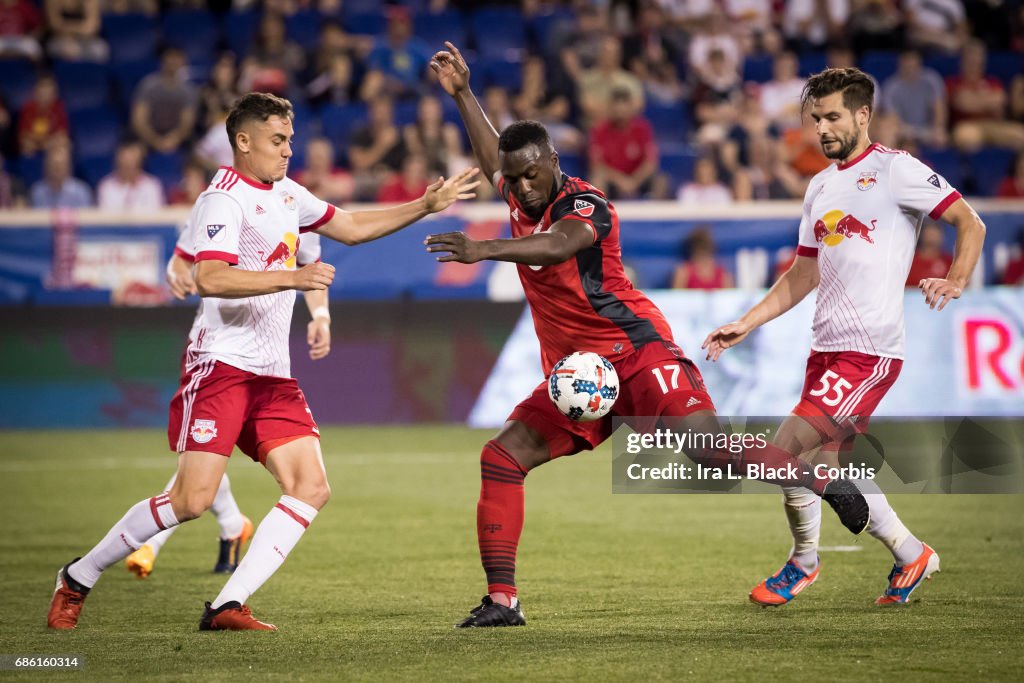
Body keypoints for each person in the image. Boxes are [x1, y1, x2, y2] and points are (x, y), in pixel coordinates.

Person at [427, 42, 871, 629]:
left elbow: (559, 245)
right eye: (514, 178)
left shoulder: (587, 203)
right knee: (501, 458)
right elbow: (494, 159)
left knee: (707, 448)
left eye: (533, 173)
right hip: (580, 379)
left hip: (635, 353)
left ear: (553, 160)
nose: (523, 186)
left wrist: (482, 248)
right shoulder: (517, 187)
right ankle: (502, 602)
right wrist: (462, 93)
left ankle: (818, 475)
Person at [47, 91, 480, 632]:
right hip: (221, 365)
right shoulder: (221, 199)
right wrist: (294, 277)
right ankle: (78, 576)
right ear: (243, 142)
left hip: (272, 374)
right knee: (191, 500)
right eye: (277, 141)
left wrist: (423, 206)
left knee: (310, 486)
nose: (286, 151)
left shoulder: (286, 192)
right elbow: (211, 278)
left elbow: (348, 226)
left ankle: (227, 604)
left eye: (290, 140)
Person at [703, 67, 986, 607]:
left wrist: (955, 279)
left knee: (783, 452)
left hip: (870, 353)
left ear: (863, 115)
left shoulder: (895, 170)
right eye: (816, 119)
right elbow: (802, 274)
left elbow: (971, 223)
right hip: (825, 349)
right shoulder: (820, 185)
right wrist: (749, 320)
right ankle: (910, 554)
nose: (822, 128)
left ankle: (803, 564)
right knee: (817, 469)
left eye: (833, 116)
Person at [125, 227, 332, 579]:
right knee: (201, 463)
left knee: (210, 462)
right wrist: (177, 277)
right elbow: (180, 262)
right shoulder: (220, 204)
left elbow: (314, 268)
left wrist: (321, 317)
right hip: (217, 354)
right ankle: (227, 526)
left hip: (266, 366)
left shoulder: (297, 209)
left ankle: (181, 540)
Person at [97, 140, 165, 211]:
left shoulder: (152, 185)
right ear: (117, 163)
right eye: (125, 164)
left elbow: (156, 216)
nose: (128, 169)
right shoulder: (106, 186)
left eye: (132, 164)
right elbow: (105, 217)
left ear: (140, 163)